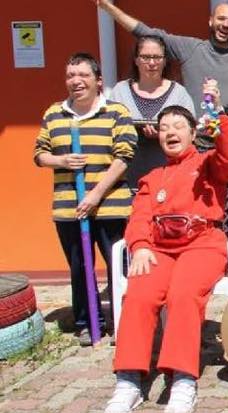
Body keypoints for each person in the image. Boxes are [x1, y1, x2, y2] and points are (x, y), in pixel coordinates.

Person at [103, 81, 228, 413]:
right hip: (159, 249)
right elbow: (139, 218)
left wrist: (219, 112)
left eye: (179, 126)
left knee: (182, 295)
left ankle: (182, 379)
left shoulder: (210, 164)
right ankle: (129, 380)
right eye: (164, 128)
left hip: (202, 245)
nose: (170, 132)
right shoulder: (152, 177)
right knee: (138, 294)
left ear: (194, 132)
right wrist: (139, 247)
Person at [34, 52, 138, 346]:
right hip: (69, 208)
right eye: (70, 76)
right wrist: (62, 160)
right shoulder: (54, 114)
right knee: (80, 267)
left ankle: (126, 321)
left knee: (118, 266)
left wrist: (95, 195)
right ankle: (86, 321)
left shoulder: (117, 112)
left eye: (83, 75)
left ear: (98, 81)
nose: (76, 81)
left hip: (110, 205)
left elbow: (124, 156)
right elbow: (39, 155)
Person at [94, 0, 228, 112]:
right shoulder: (190, 48)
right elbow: (145, 32)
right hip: (193, 144)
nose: (225, 24)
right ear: (210, 20)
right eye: (221, 18)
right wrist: (108, 7)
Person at [109, 35, 196, 190]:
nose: (151, 63)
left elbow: (190, 134)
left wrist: (163, 135)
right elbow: (109, 129)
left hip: (170, 178)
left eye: (157, 57)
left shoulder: (179, 93)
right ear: (136, 60)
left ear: (164, 61)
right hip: (128, 177)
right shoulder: (120, 91)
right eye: (145, 57)